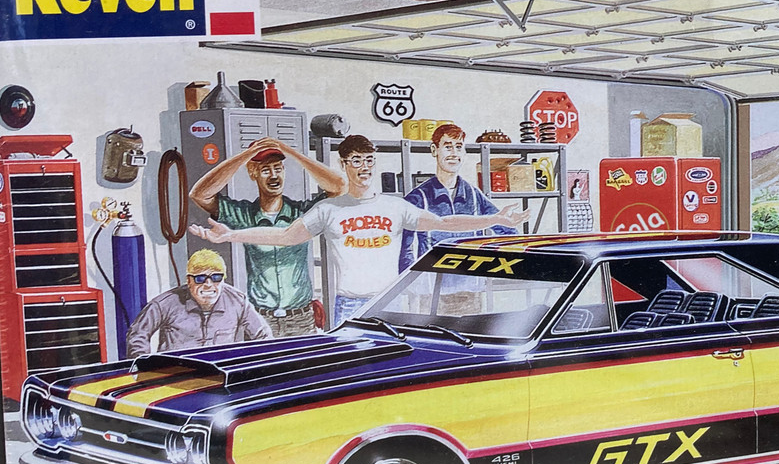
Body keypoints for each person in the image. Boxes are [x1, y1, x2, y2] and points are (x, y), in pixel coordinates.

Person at [191, 135, 528, 327]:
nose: (364, 168)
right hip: (348, 306)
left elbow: (443, 223)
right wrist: (230, 235)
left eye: (368, 160)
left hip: (393, 302)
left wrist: (494, 220)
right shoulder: (328, 209)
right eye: (356, 161)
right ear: (344, 164)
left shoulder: (395, 206)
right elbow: (284, 237)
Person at [189, 136, 345, 337]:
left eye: (278, 168)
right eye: (265, 170)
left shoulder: (301, 212)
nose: (273, 176)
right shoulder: (243, 215)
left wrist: (291, 152)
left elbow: (339, 187)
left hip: (301, 319)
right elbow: (199, 194)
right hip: (260, 320)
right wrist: (246, 156)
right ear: (253, 173)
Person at [399, 123, 513, 271]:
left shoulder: (473, 194)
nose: (454, 153)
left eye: (458, 147)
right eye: (448, 147)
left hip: (471, 281)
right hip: (433, 280)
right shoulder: (418, 198)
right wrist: (415, 282)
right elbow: (404, 250)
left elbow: (506, 230)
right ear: (434, 150)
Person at [126, 249, 271, 356]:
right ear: (189, 281)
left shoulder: (238, 301)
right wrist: (146, 370)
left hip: (221, 375)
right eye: (200, 279)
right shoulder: (165, 303)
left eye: (216, 278)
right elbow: (137, 335)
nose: (208, 284)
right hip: (177, 377)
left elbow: (264, 336)